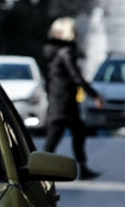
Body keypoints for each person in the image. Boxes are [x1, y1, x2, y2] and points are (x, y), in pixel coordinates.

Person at [42, 17, 104, 180]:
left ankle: (78, 168)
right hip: (65, 101)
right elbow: (76, 76)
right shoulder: (66, 52)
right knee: (57, 137)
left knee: (69, 134)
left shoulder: (51, 50)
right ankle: (41, 172)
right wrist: (94, 94)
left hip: (58, 99)